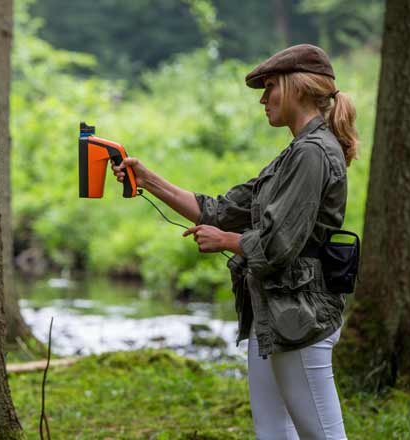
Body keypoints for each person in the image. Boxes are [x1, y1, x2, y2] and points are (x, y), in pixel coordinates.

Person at [111, 44, 358, 439]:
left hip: (303, 317)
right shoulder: (293, 154)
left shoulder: (313, 153)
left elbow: (279, 245)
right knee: (273, 431)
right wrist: (148, 179)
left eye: (270, 86)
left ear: (297, 88)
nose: (262, 98)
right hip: (275, 313)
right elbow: (220, 210)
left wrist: (226, 241)